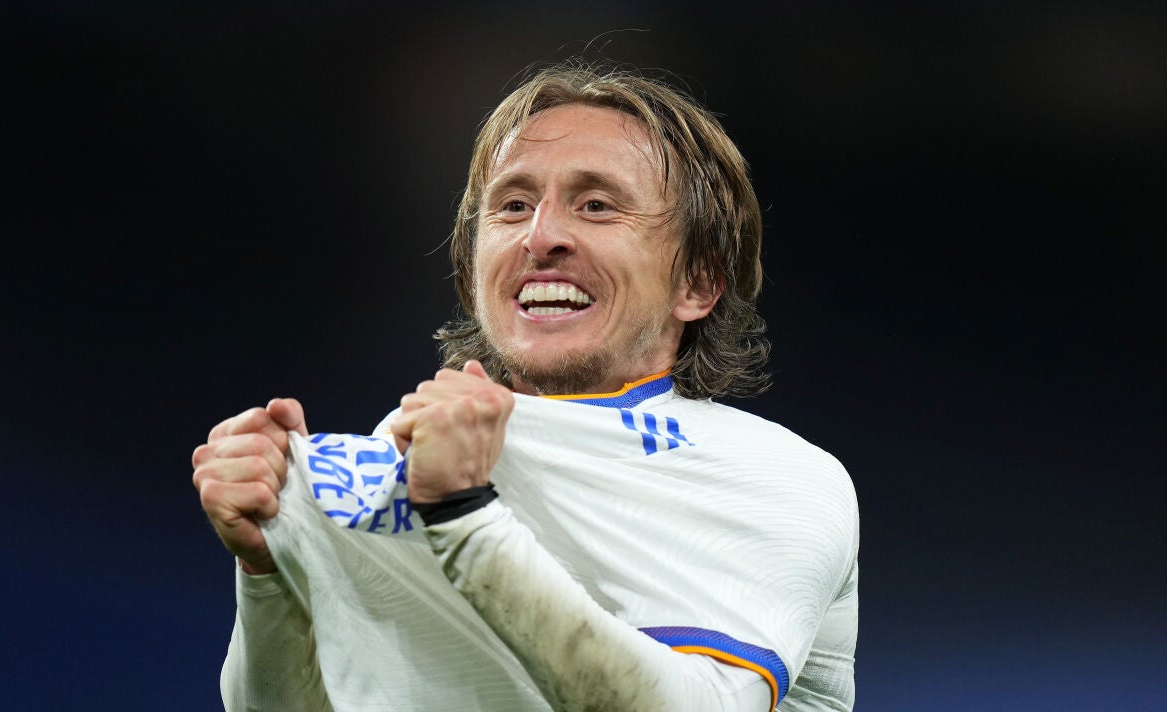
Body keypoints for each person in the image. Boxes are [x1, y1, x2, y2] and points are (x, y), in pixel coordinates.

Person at [192, 62, 858, 712]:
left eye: (596, 206)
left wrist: (464, 517)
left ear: (699, 282)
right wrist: (269, 570)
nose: (541, 238)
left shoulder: (775, 477)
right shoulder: (397, 462)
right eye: (513, 206)